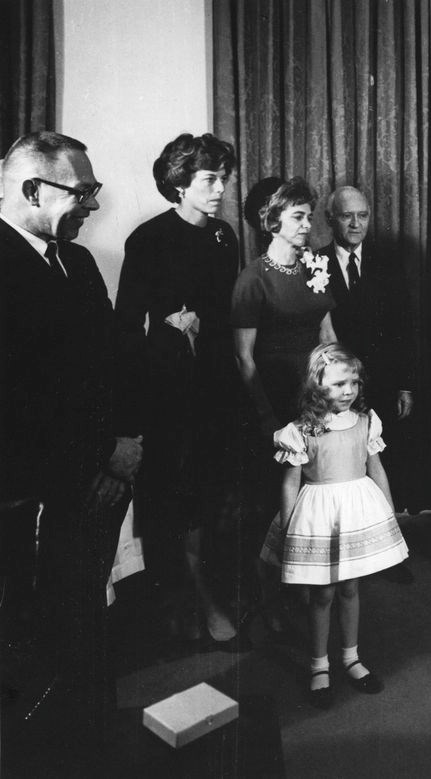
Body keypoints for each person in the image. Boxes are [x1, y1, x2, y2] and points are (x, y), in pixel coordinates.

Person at [0, 131, 142, 756]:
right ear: (34, 189)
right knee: (28, 634)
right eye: (81, 191)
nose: (91, 204)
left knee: (82, 616)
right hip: (26, 487)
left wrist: (127, 440)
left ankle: (89, 737)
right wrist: (101, 457)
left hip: (95, 478)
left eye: (94, 191)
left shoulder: (78, 261)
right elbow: (18, 398)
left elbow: (111, 359)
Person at [114, 132, 245, 650]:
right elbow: (127, 325)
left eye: (224, 179)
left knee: (214, 495)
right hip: (166, 386)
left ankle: (208, 598)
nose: (220, 190)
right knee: (173, 498)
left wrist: (198, 317)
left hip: (215, 379)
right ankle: (182, 603)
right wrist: (170, 327)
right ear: (180, 183)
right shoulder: (147, 239)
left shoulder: (225, 236)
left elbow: (226, 309)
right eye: (210, 180)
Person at [259, 344, 408, 707]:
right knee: (322, 593)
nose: (349, 390)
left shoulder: (367, 421)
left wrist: (388, 513)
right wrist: (291, 525)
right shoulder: (301, 429)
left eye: (354, 382)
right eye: (339, 383)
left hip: (355, 513)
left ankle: (350, 658)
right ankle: (319, 665)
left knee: (350, 589)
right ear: (316, 386)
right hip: (319, 515)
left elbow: (377, 469)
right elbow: (290, 482)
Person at [232, 177, 337, 633]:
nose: (307, 225)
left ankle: (310, 591)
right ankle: (267, 595)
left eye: (308, 216)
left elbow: (328, 335)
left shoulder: (316, 264)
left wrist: (338, 396)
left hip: (315, 399)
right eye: (298, 217)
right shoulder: (252, 279)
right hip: (275, 404)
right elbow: (243, 356)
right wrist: (268, 419)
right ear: (271, 221)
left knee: (316, 494)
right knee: (273, 503)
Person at [318, 185, 416, 583]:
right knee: (341, 472)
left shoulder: (388, 262)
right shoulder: (314, 264)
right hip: (337, 388)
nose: (356, 224)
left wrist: (406, 384)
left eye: (362, 215)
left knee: (383, 466)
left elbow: (404, 327)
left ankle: (391, 554)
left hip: (383, 382)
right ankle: (345, 559)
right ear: (331, 219)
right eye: (346, 216)